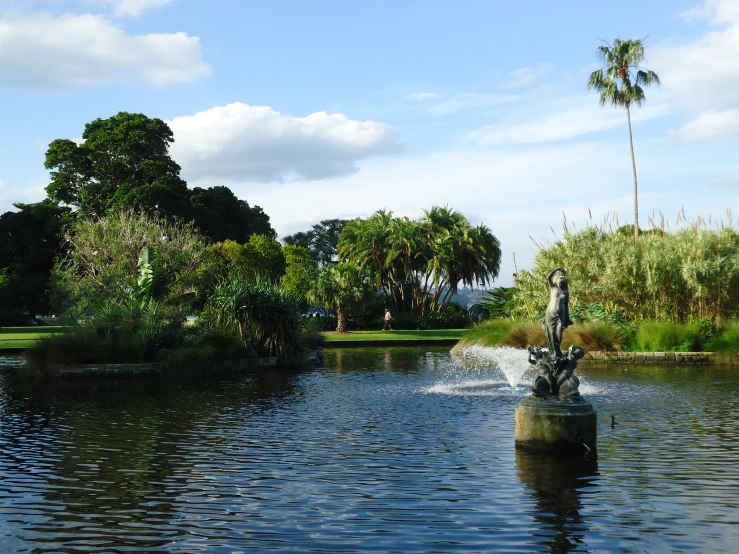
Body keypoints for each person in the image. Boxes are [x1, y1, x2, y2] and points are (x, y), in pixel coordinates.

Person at [544, 268, 573, 358]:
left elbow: (566, 305)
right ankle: (555, 353)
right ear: (556, 280)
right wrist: (558, 269)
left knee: (559, 335)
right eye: (559, 279)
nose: (561, 282)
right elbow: (548, 277)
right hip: (550, 314)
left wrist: (567, 318)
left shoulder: (565, 292)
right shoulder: (553, 288)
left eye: (562, 280)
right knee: (551, 334)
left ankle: (557, 349)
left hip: (561, 316)